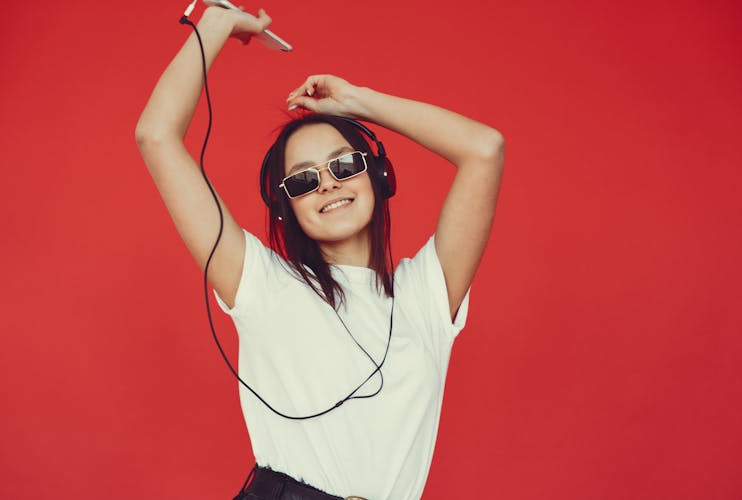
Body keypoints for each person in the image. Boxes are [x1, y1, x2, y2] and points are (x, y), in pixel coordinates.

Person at [135, 5, 505, 500]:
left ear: (379, 176)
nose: (328, 183)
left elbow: (484, 148)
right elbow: (156, 137)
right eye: (304, 179)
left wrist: (358, 102)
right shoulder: (262, 283)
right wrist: (217, 23)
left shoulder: (425, 299)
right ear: (286, 207)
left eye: (345, 164)